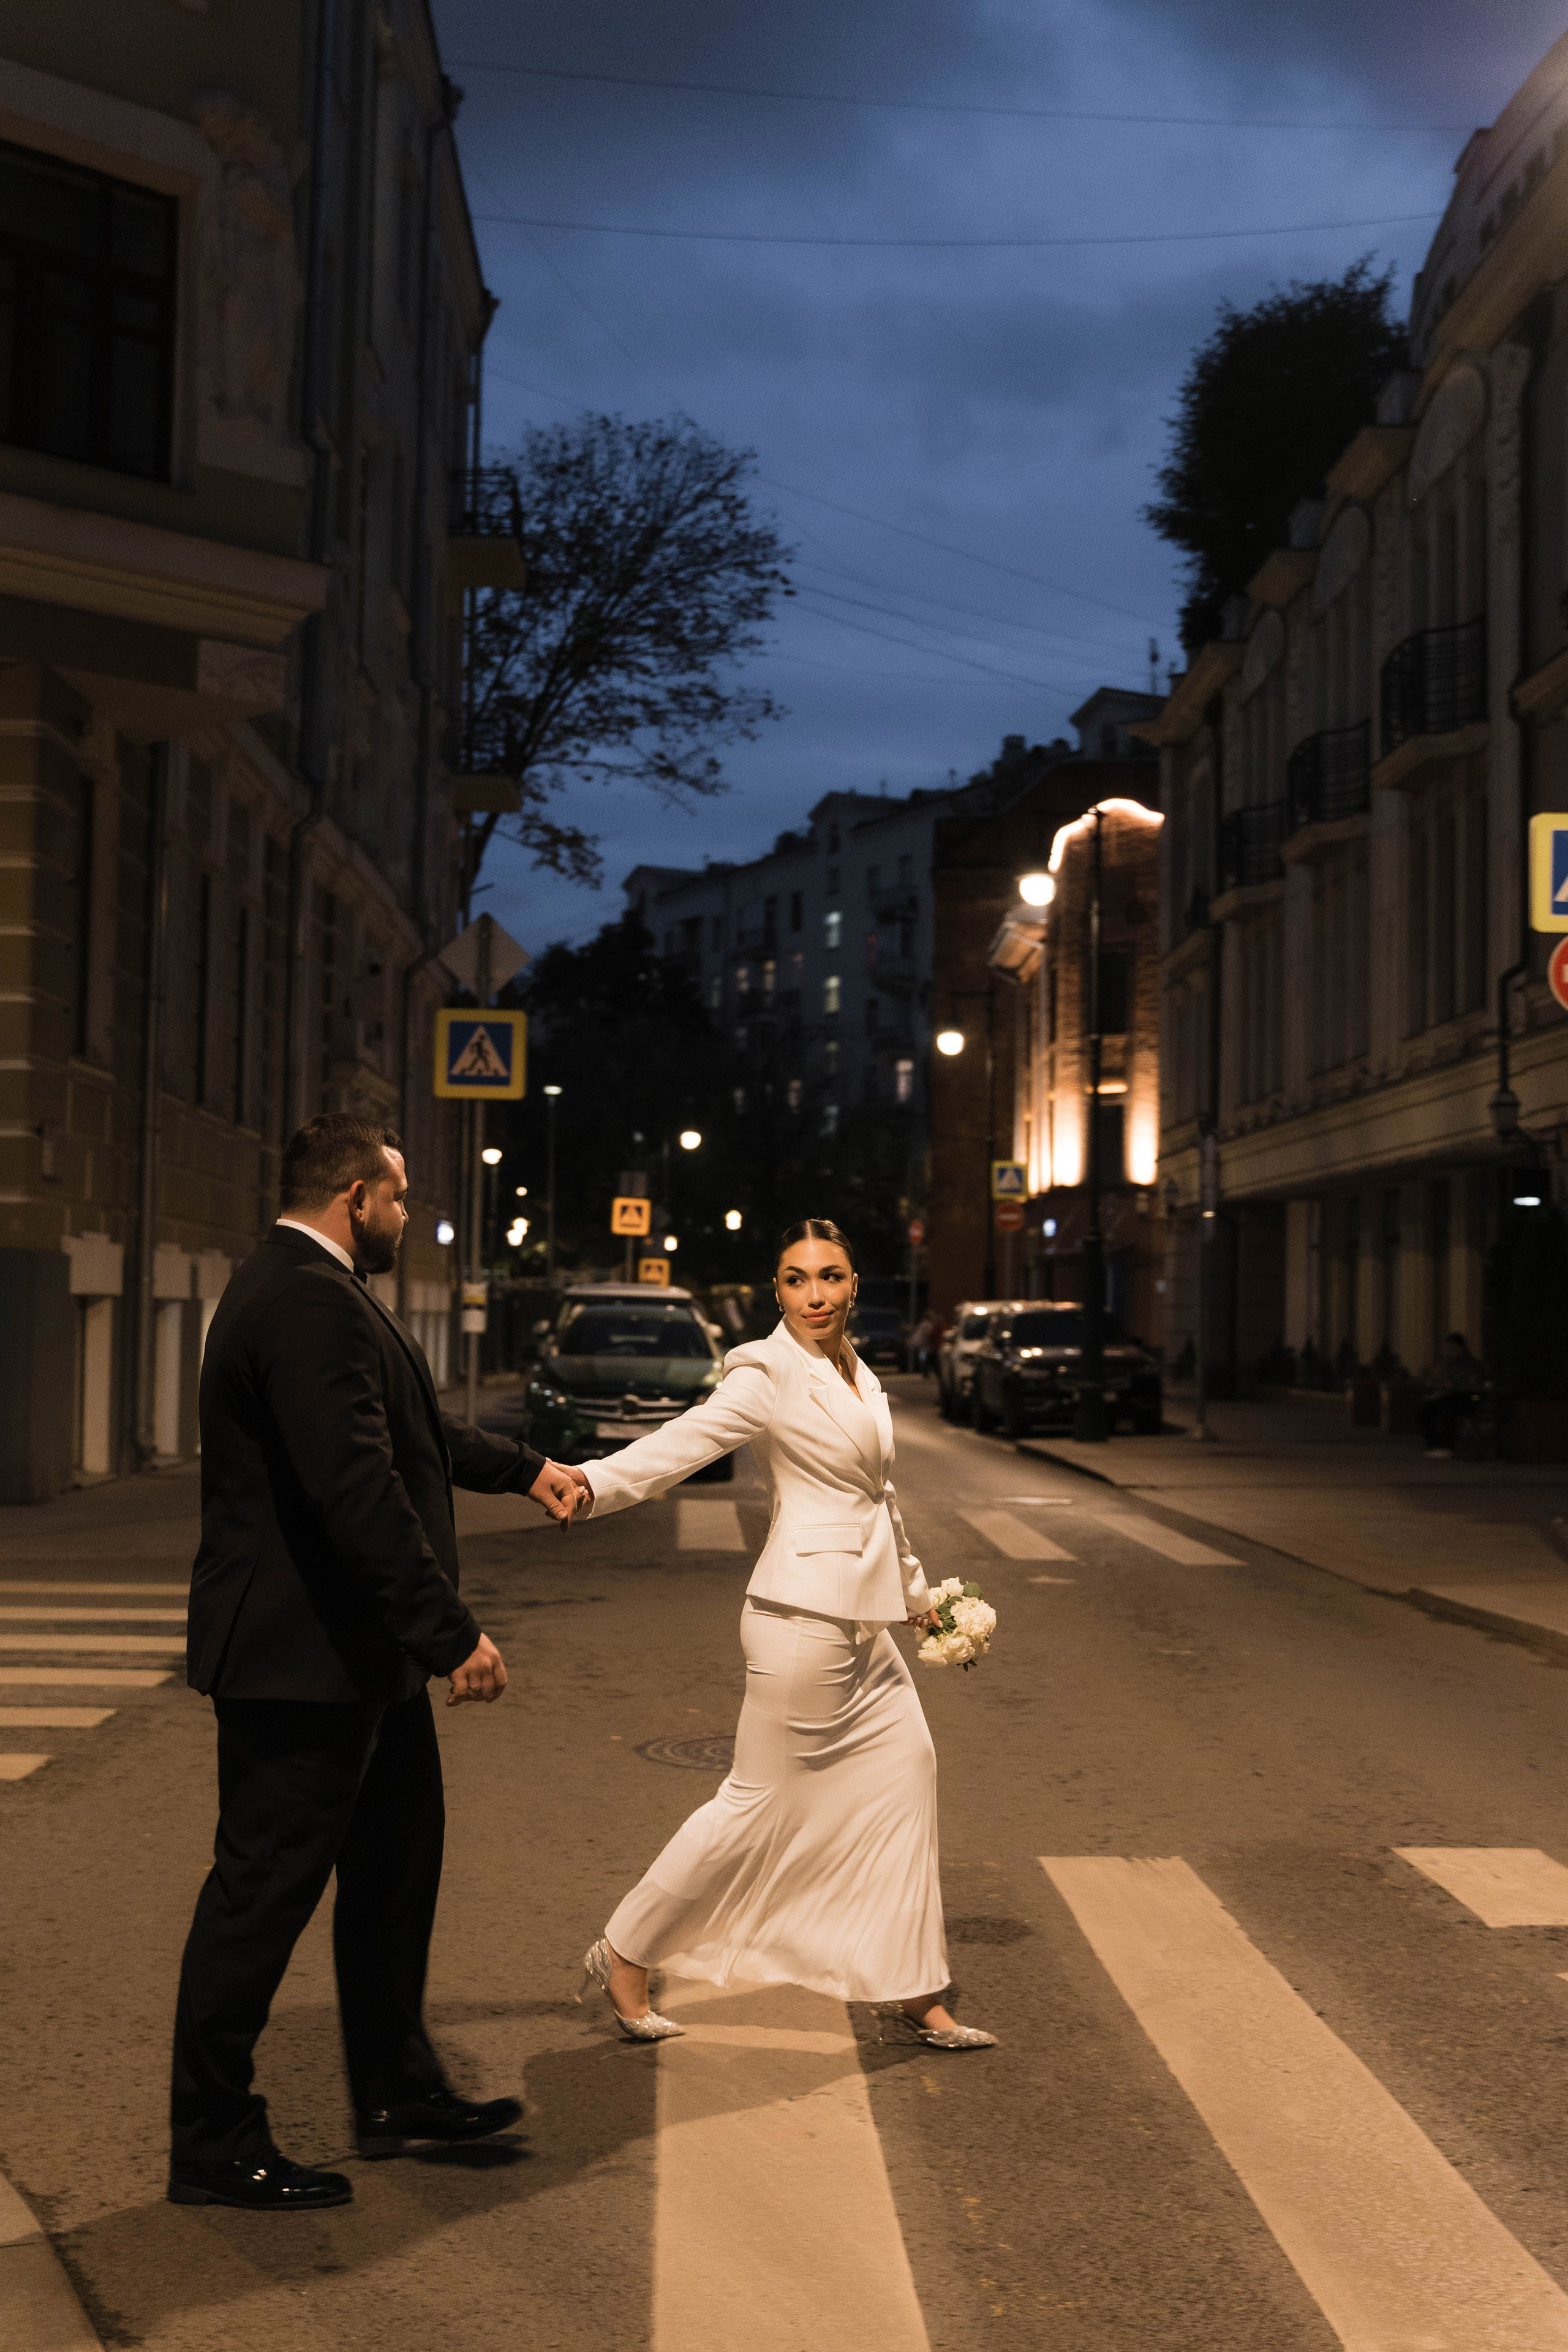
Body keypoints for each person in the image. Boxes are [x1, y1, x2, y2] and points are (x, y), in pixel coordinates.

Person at [169, 1114, 586, 2213]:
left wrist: (530, 1465)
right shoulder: (304, 1300)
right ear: (358, 1195)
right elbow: (354, 1492)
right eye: (401, 1197)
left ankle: (399, 2089)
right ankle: (211, 2140)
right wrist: (449, 1634)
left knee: (398, 1866)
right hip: (297, 1662)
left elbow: (420, 1437)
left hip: (353, 1663)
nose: (411, 1215)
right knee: (260, 1897)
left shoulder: (324, 1291)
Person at [574, 1217, 995, 2051]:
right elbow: (684, 1444)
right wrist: (590, 1485)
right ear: (778, 1292)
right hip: (800, 1621)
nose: (816, 1295)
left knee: (909, 1772)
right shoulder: (766, 1370)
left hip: (863, 1625)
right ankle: (626, 1952)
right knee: (755, 1803)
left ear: (853, 1287)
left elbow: (880, 1500)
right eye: (798, 1279)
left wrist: (918, 1599)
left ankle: (910, 1984)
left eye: (831, 1277)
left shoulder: (858, 1373)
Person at [1419, 1332, 1487, 1457]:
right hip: (1446, 1396)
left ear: (1461, 1348)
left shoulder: (1472, 1364)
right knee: (1426, 1408)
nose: (1450, 1351)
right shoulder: (1447, 1364)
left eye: (1452, 1348)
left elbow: (1474, 1383)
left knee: (1447, 1407)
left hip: (1466, 1399)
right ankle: (1433, 1444)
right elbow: (1434, 1380)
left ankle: (1448, 1445)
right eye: (1448, 1349)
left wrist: (1454, 1386)